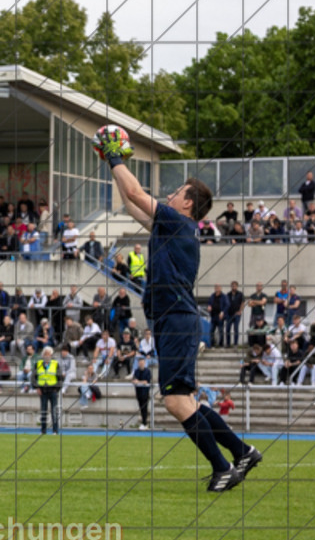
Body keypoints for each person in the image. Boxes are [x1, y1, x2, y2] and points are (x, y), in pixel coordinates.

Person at [96, 125, 261, 492]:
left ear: (188, 204)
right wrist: (114, 165)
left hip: (176, 321)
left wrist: (115, 157)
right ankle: (242, 452)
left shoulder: (179, 222)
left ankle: (222, 468)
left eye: (176, 192)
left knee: (173, 401)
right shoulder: (171, 227)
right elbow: (130, 200)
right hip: (177, 320)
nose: (169, 195)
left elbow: (138, 193)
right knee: (183, 399)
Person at [33, 346, 60, 435]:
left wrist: (57, 389)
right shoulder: (38, 364)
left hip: (53, 390)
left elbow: (60, 377)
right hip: (42, 390)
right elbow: (33, 377)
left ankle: (55, 430)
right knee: (43, 411)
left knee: (54, 411)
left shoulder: (55, 364)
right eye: (45, 354)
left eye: (48, 354)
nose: (47, 356)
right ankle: (43, 430)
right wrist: (36, 387)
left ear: (51, 355)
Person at [131, 357, 152, 430]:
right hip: (138, 392)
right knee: (141, 408)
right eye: (139, 363)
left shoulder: (148, 371)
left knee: (144, 408)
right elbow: (134, 380)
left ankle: (145, 423)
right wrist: (136, 381)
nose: (141, 364)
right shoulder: (136, 371)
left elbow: (147, 382)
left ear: (144, 363)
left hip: (145, 393)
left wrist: (139, 382)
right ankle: (144, 423)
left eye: (142, 362)